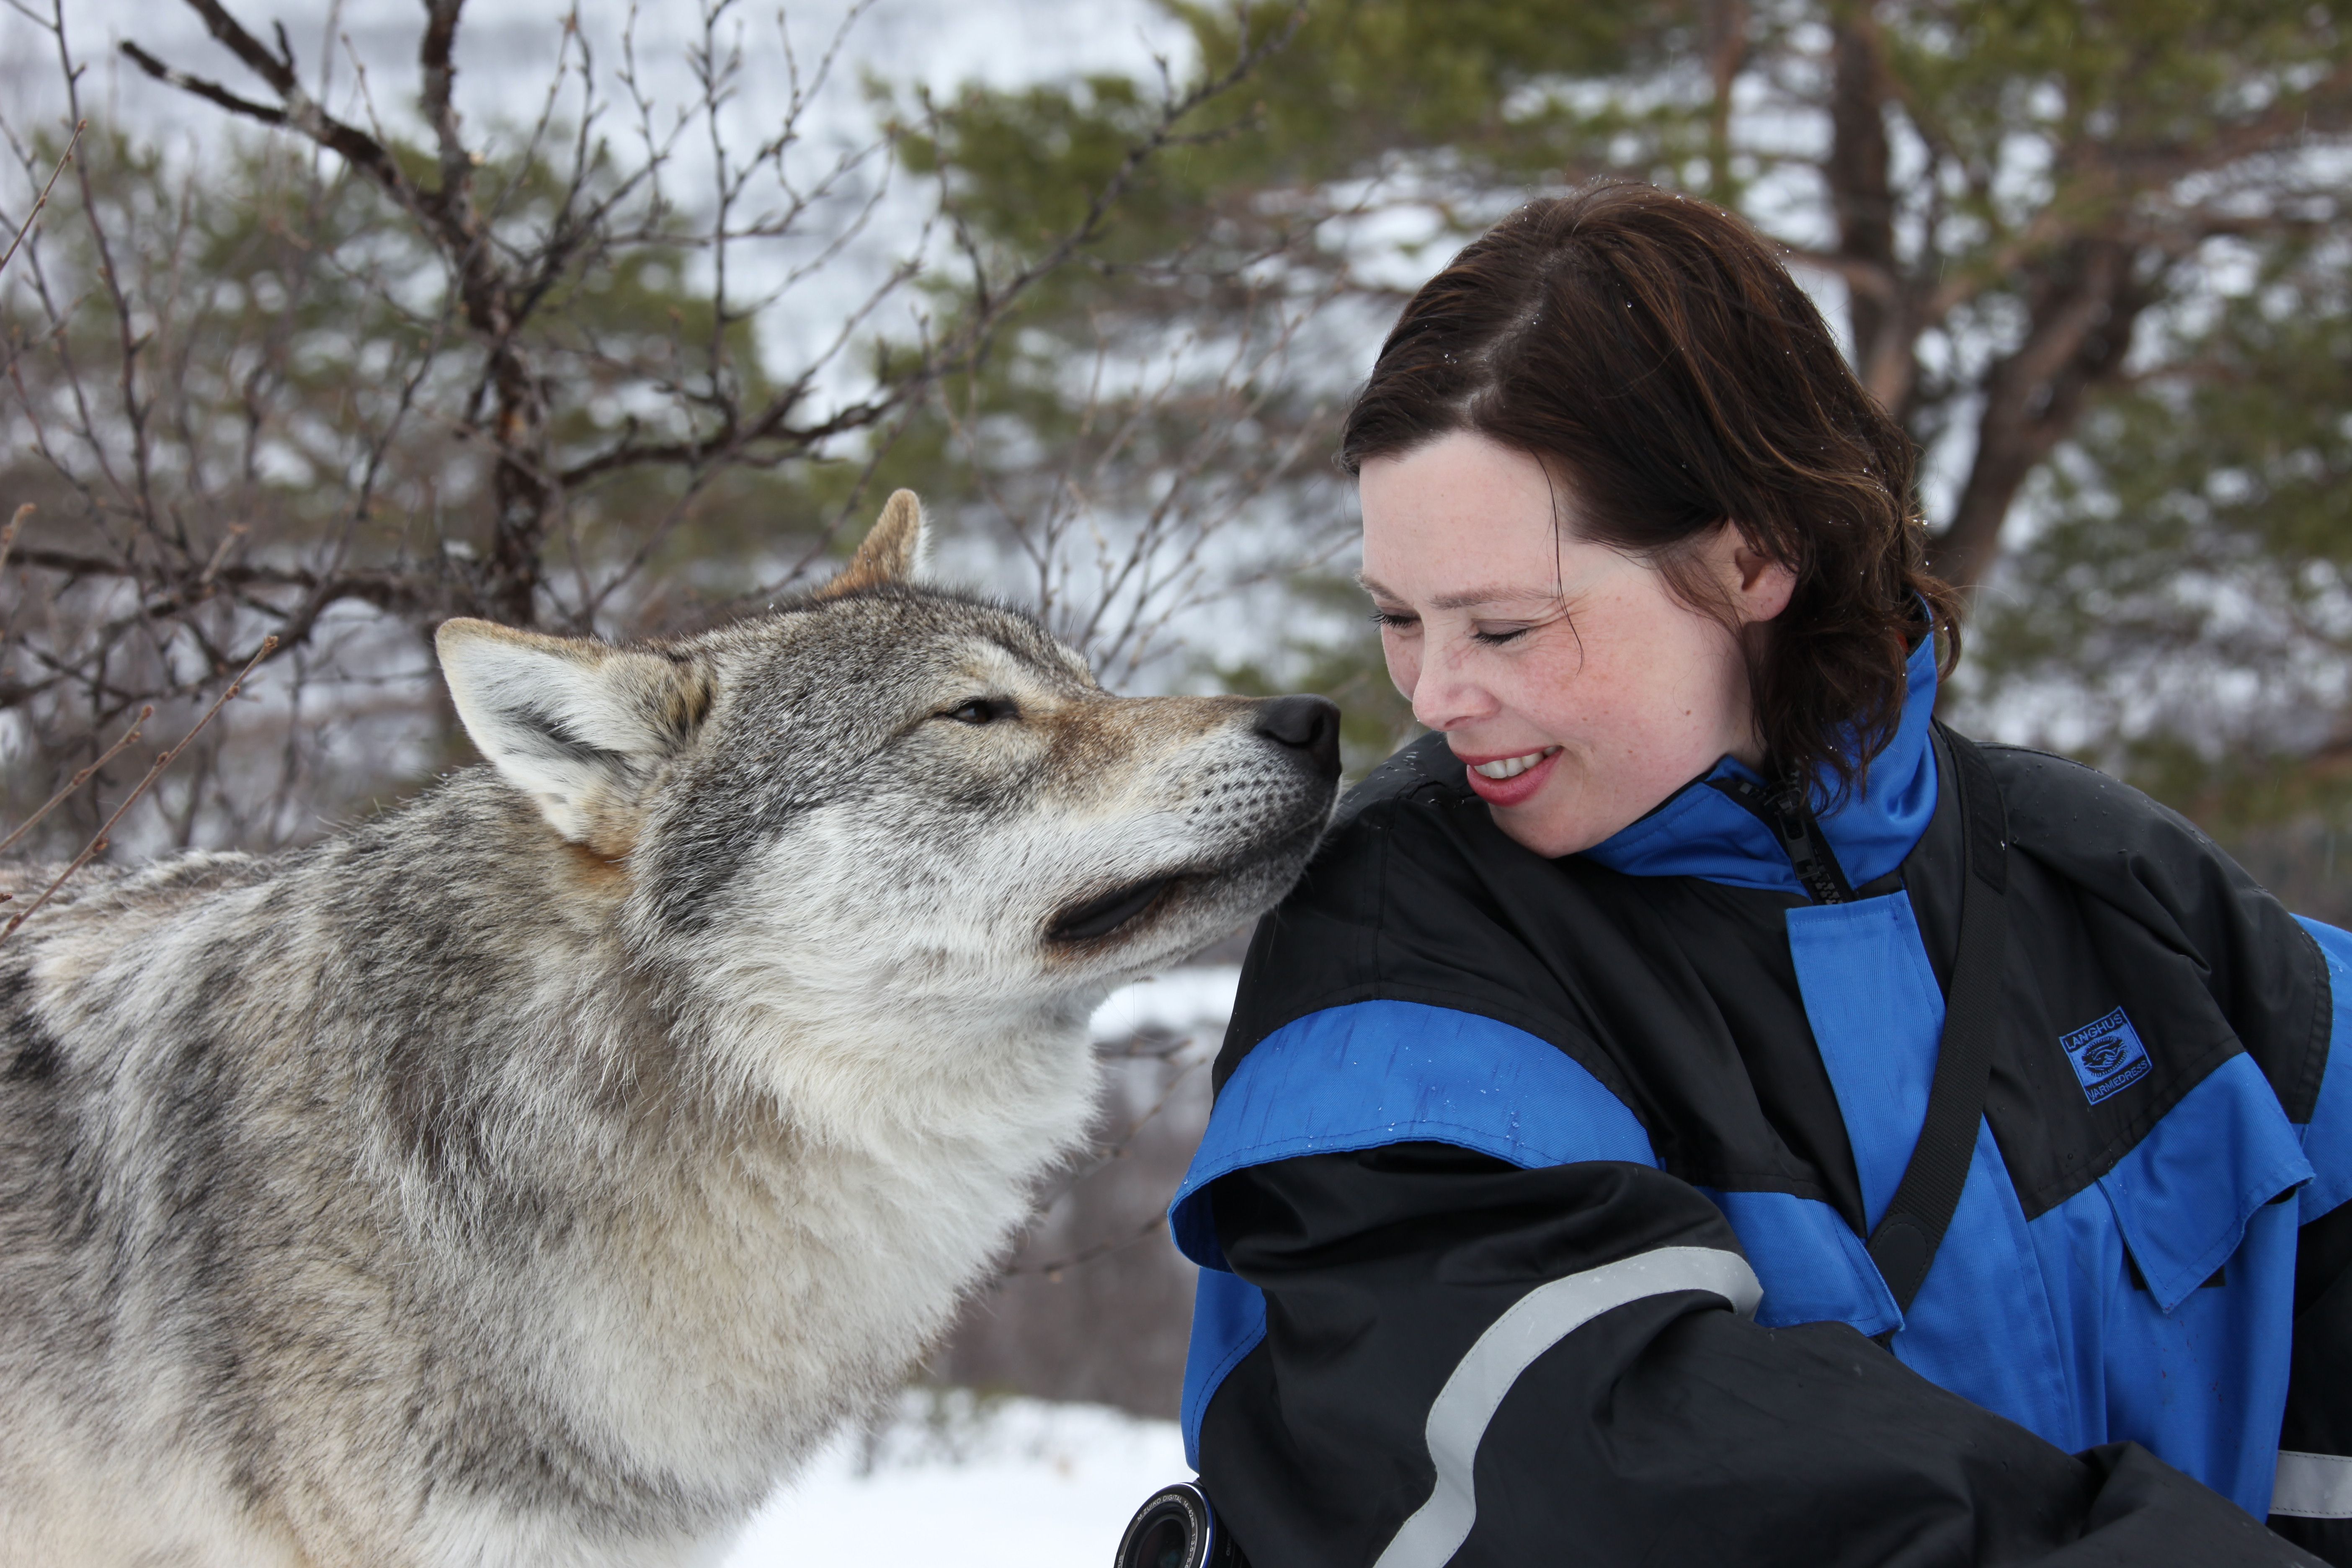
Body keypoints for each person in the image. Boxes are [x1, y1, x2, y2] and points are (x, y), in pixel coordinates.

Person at [1165, 183, 2352, 1567]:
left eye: (1505, 626)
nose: (1434, 696)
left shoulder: (2124, 895)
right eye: (1397, 619)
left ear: (1752, 557)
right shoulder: (1398, 959)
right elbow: (1605, 1468)